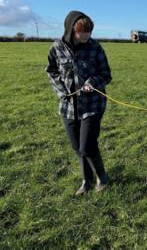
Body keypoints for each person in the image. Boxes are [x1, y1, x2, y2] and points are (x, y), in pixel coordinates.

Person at [46, 11, 112, 196]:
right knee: (77, 148)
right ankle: (87, 181)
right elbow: (51, 71)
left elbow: (106, 74)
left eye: (88, 31)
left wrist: (93, 82)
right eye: (81, 32)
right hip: (68, 107)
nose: (86, 35)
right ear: (71, 29)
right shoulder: (57, 47)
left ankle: (102, 178)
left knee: (87, 146)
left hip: (92, 106)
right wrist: (61, 91)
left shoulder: (95, 48)